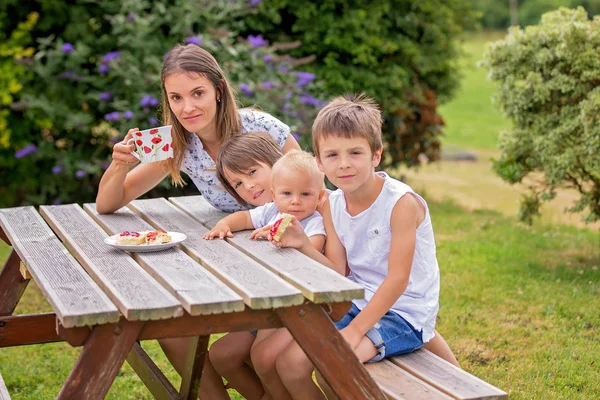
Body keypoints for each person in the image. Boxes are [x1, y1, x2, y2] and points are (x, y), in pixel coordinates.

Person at [95, 43, 301, 400]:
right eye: (176, 97)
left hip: (285, 256)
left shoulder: (259, 127)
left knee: (236, 351)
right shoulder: (176, 143)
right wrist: (119, 164)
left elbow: (313, 188)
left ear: (219, 90)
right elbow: (108, 203)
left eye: (198, 93)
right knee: (172, 332)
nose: (187, 107)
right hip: (232, 255)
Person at [262, 94, 459, 399]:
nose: (344, 164)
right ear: (319, 161)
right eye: (332, 155)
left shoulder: (400, 203)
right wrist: (302, 243)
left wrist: (353, 333)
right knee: (290, 363)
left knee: (334, 365)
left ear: (375, 155)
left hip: (403, 312)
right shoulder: (334, 203)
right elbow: (339, 272)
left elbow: (397, 280)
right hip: (356, 299)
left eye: (355, 152)